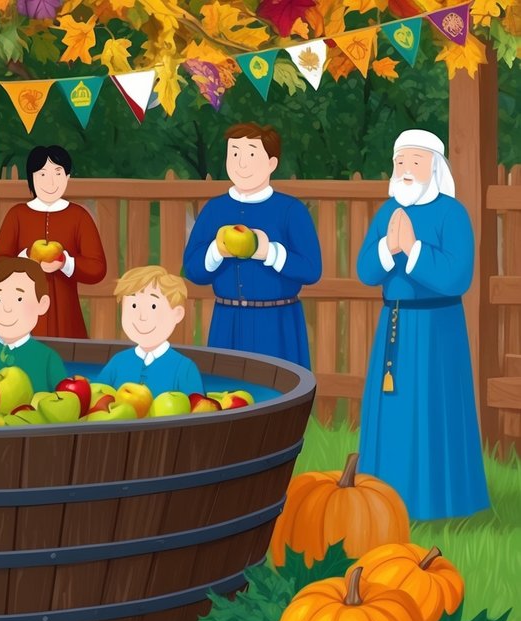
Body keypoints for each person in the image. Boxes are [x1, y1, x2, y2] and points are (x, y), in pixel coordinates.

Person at [354, 129, 490, 520]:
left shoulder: (452, 214)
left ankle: (439, 501)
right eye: (400, 162)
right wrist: (388, 247)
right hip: (394, 327)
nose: (405, 170)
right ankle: (385, 498)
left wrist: (414, 248)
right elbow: (366, 270)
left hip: (438, 330)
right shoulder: (387, 213)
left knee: (434, 409)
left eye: (414, 161)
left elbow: (458, 276)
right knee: (395, 412)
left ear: (435, 166)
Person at [182, 123, 321, 368]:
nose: (241, 163)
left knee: (279, 392)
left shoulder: (290, 210)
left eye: (252, 154)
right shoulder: (215, 209)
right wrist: (216, 250)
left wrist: (270, 252)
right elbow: (192, 269)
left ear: (272, 163)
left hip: (278, 323)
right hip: (228, 323)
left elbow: (311, 269)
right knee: (228, 393)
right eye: (234, 153)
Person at [0, 145, 107, 338]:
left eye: (58, 173)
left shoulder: (79, 216)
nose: (50, 182)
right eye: (42, 174)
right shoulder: (17, 215)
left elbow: (97, 268)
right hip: (22, 310)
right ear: (31, 178)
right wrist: (27, 258)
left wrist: (64, 262)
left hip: (66, 312)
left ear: (67, 177)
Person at [0, 258, 68, 391]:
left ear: (42, 304)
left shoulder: (48, 358)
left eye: (19, 299)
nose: (7, 308)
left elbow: (65, 397)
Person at [96, 266, 203, 395]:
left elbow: (199, 410)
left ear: (177, 314)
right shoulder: (117, 362)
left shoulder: (185, 368)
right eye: (133, 305)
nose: (142, 316)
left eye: (153, 306)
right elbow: (96, 396)